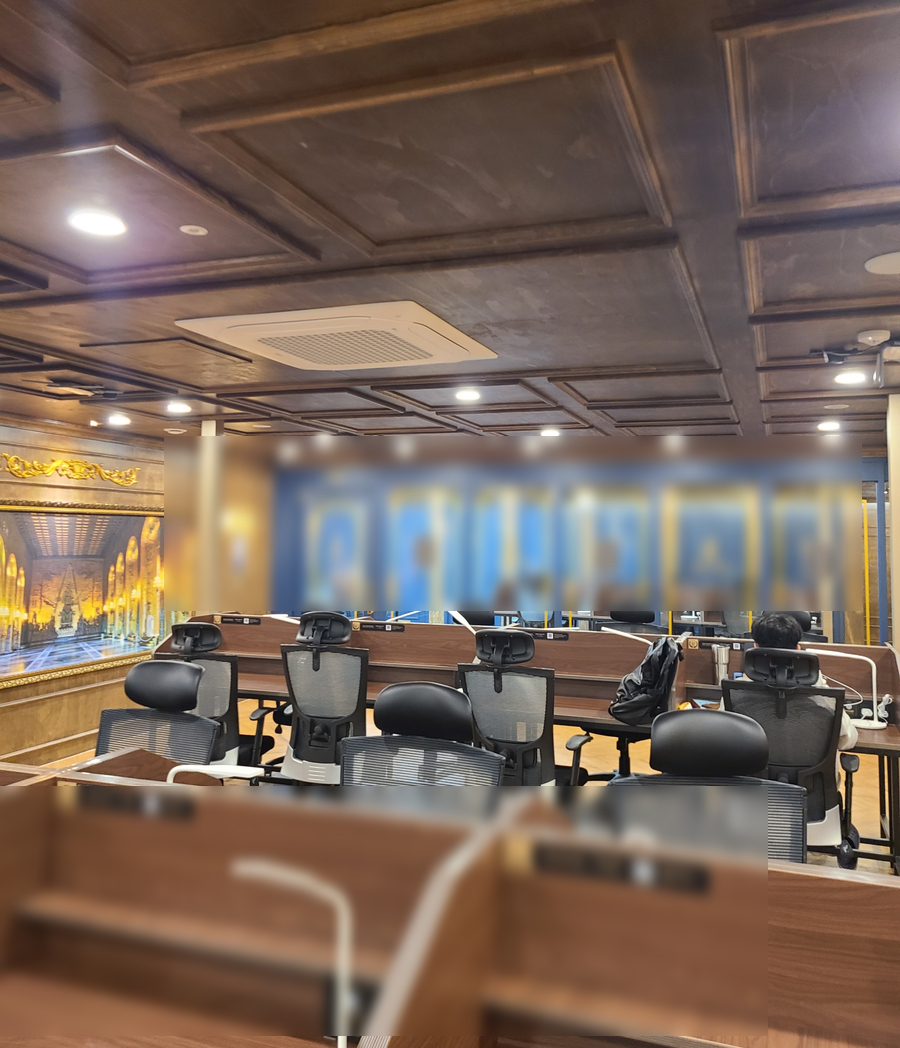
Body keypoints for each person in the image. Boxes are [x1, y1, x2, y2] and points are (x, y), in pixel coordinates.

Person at [750, 611, 857, 787]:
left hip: (755, 793)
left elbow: (726, 738)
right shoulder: (821, 696)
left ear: (755, 647)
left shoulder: (738, 693)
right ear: (798, 648)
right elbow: (848, 740)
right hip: (813, 794)